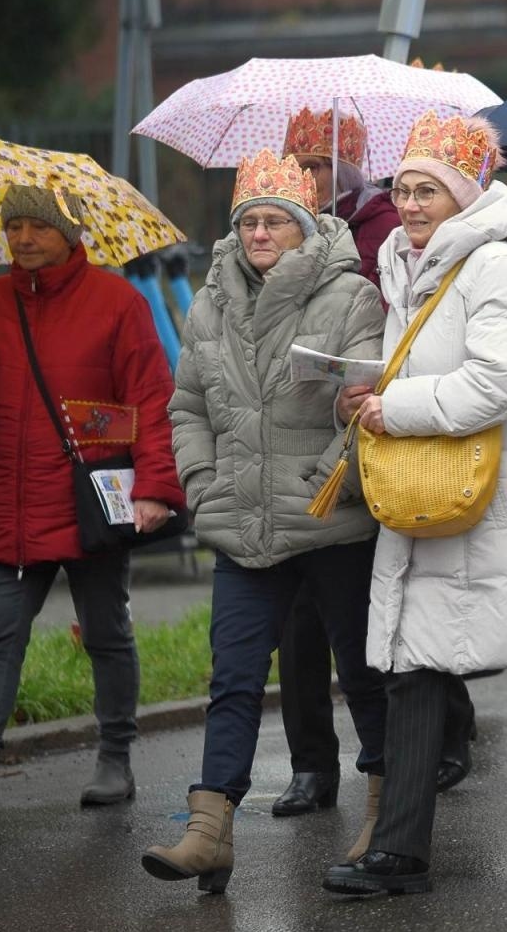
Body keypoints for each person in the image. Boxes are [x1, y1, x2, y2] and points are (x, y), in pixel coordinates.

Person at [322, 112, 507, 896]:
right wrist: (367, 392)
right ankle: (400, 850)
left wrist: (395, 408)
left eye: (428, 191)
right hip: (428, 492)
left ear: (464, 195)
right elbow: (422, 369)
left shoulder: (495, 268)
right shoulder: (398, 266)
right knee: (414, 664)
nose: (410, 205)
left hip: (504, 499)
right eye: (403, 189)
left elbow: (499, 381)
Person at [142, 151, 389, 893]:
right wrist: (201, 482)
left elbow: (369, 403)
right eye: (248, 221)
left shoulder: (353, 299)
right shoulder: (208, 304)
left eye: (274, 220)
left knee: (363, 673)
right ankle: (209, 831)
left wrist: (329, 479)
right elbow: (186, 408)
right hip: (242, 526)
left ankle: (385, 814)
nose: (258, 232)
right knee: (235, 679)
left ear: (304, 227)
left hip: (331, 522)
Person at [0, 185, 185, 816]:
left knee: (107, 634)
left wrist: (157, 490)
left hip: (89, 504)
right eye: (13, 227)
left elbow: (152, 402)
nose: (22, 239)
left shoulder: (120, 304)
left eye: (37, 226)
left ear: (71, 231)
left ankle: (116, 758)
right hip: (5, 501)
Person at [270, 106, 428, 819]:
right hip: (292, 445)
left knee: (362, 618)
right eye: (297, 167)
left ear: (350, 163)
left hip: (368, 436)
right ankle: (311, 765)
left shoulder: (384, 229)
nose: (306, 180)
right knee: (295, 627)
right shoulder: (269, 230)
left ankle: (397, 756)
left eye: (317, 166)